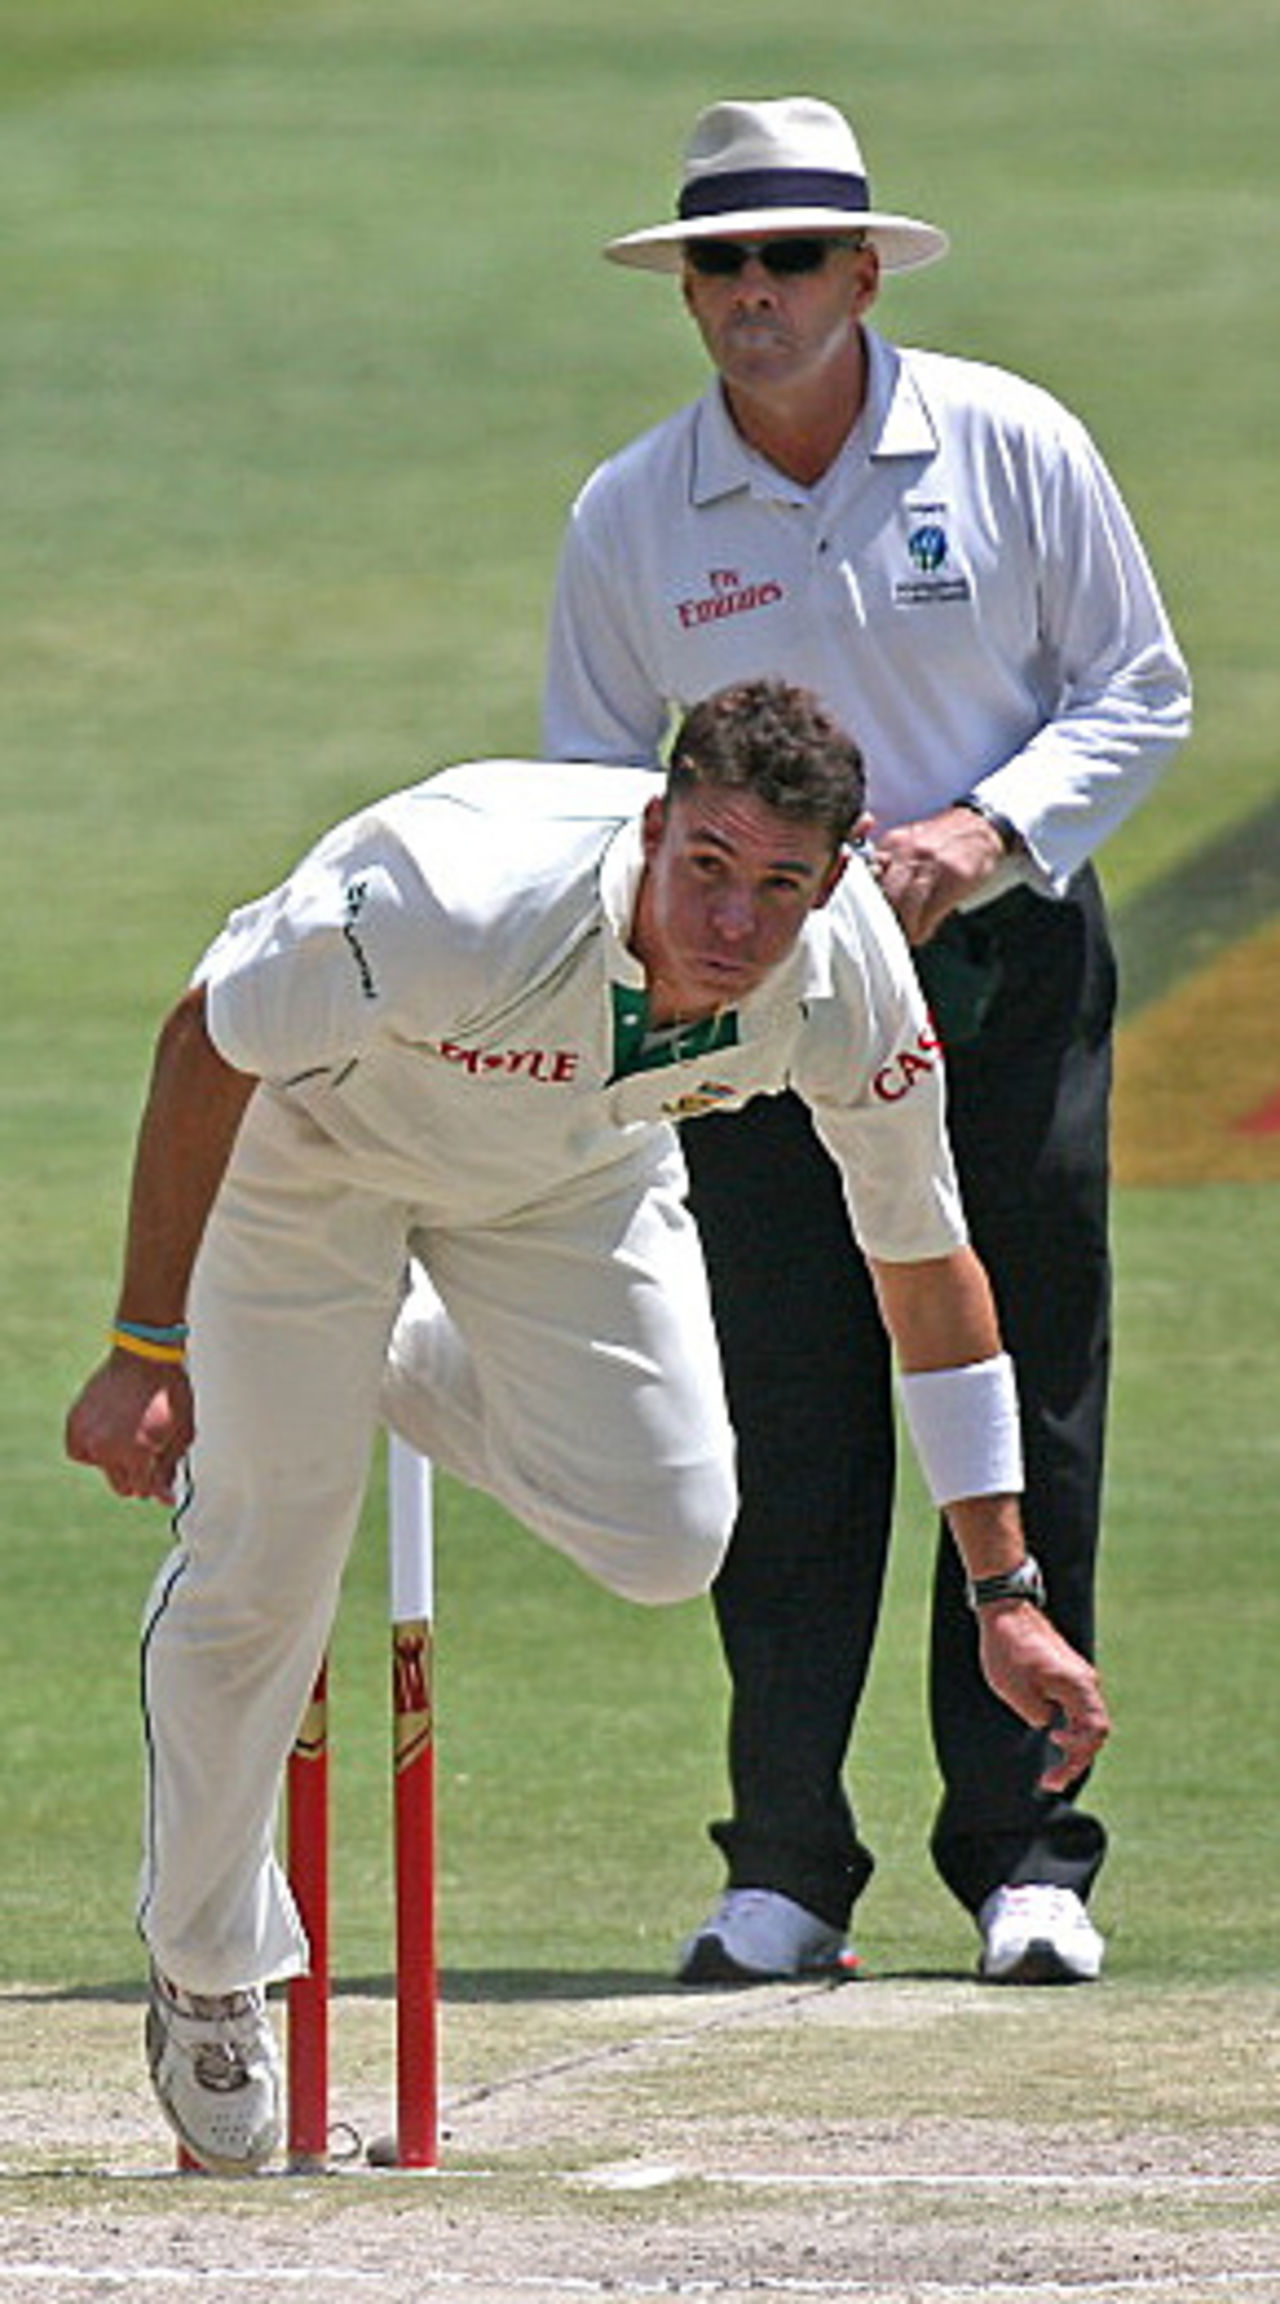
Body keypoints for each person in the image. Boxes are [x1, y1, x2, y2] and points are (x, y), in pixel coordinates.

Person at [65, 678, 1108, 2175]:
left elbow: (926, 1267)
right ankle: (211, 1970)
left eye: (778, 887)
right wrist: (145, 1347)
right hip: (308, 1155)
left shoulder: (849, 977)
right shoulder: (449, 894)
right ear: (652, 825)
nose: (733, 925)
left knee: (667, 1533)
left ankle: (368, 1349)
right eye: (705, 865)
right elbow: (205, 1044)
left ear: (837, 875)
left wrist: (1005, 1594)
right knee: (264, 1564)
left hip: (566, 1179)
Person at [543, 98, 1191, 1987]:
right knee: (785, 1404)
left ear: (858, 272)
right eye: (718, 265)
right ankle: (786, 1867)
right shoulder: (633, 511)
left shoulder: (1006, 442)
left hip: (997, 963)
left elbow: (1136, 689)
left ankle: (1023, 1852)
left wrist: (977, 834)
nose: (752, 294)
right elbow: (595, 788)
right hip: (752, 992)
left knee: (1021, 1377)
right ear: (691, 292)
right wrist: (714, 941)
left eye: (786, 260)